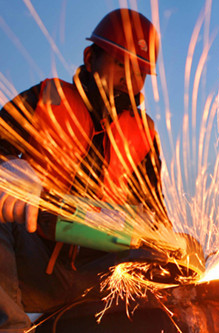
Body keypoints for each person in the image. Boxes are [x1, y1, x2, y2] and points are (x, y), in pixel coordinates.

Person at [0, 9, 169, 331]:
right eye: (121, 64)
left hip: (98, 278)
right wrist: (8, 167)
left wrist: (170, 243)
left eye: (139, 73)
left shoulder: (144, 135)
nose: (129, 80)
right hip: (29, 264)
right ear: (91, 56)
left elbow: (154, 213)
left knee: (162, 254)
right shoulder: (47, 98)